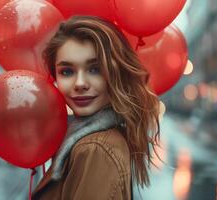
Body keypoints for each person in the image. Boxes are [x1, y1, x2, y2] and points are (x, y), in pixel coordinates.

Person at [32, 15, 160, 200]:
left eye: (95, 69)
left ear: (117, 72)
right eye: (67, 71)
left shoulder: (95, 150)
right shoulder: (90, 139)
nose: (80, 83)